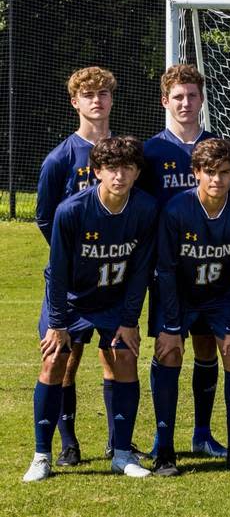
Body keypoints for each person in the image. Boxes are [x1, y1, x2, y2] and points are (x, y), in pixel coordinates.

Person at [24, 136, 157, 482]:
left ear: (137, 172)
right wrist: (57, 324)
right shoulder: (71, 210)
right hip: (71, 300)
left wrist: (129, 321)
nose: (120, 176)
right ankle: (42, 455)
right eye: (112, 168)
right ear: (97, 171)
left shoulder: (145, 208)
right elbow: (56, 273)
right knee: (54, 359)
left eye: (128, 168)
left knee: (125, 356)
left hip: (113, 301)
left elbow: (141, 271)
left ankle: (123, 455)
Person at [151, 138, 230, 476]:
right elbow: (166, 270)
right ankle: (165, 452)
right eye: (209, 172)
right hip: (179, 296)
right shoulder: (175, 210)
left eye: (224, 173)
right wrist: (170, 325)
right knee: (168, 353)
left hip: (221, 296)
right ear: (196, 172)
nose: (217, 180)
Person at [140, 64, 229, 458]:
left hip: (212, 267)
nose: (186, 103)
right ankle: (164, 438)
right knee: (168, 348)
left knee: (207, 347)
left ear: (202, 99)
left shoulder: (218, 147)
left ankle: (202, 433)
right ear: (165, 101)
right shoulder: (149, 152)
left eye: (192, 95)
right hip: (168, 270)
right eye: (178, 96)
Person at [34, 66, 117, 466]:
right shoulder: (60, 158)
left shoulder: (124, 153)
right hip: (71, 281)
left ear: (112, 100)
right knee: (64, 358)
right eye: (89, 95)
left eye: (103, 94)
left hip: (112, 278)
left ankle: (118, 442)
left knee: (116, 357)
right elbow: (46, 218)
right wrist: (71, 258)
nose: (97, 101)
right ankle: (67, 442)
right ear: (75, 103)